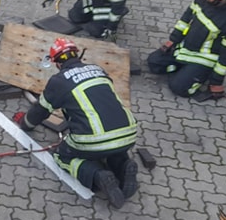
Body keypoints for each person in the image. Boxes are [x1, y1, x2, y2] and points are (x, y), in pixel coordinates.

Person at [13, 38, 139, 208]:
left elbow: (40, 111)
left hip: (93, 139)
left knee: (62, 156)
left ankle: (97, 176)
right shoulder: (98, 70)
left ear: (57, 63)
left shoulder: (59, 81)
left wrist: (25, 124)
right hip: (128, 133)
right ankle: (124, 165)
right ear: (77, 55)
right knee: (111, 150)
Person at [147, 0, 226, 100]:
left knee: (178, 88)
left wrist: (216, 81)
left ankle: (201, 74)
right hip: (186, 49)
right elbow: (186, 18)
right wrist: (173, 40)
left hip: (204, 58)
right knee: (154, 62)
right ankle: (186, 71)